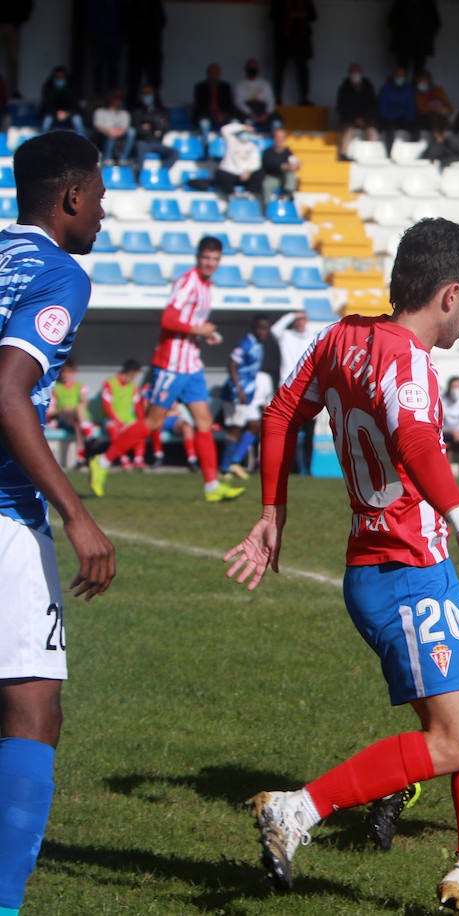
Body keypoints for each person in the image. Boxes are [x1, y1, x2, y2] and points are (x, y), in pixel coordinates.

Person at [224, 218, 459, 915]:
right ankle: (299, 809)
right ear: (450, 295)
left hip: (412, 568)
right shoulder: (410, 361)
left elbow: (280, 412)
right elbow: (417, 441)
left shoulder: (343, 336)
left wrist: (273, 510)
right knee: (453, 740)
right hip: (403, 572)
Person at [0, 128, 116, 916]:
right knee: (32, 706)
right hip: (5, 512)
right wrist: (77, 515)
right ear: (71, 196)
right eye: (99, 198)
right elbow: (8, 391)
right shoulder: (59, 272)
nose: (103, 213)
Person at [87, 236, 245, 503]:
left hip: (192, 363)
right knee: (153, 422)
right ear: (198, 258)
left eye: (215, 259)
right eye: (206, 258)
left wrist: (205, 335)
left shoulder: (207, 286)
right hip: (171, 365)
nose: (210, 263)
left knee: (204, 422)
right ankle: (102, 462)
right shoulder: (187, 282)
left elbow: (190, 324)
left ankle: (211, 486)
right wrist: (199, 330)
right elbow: (168, 319)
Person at [218, 315, 272, 479]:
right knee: (235, 429)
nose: (262, 332)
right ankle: (225, 468)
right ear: (254, 328)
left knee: (255, 426)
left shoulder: (259, 345)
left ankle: (235, 461)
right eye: (260, 328)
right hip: (236, 394)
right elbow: (231, 364)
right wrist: (238, 388)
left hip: (247, 394)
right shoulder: (245, 343)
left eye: (265, 329)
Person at [269, 310, 317, 474]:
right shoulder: (286, 336)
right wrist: (291, 315)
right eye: (297, 319)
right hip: (288, 387)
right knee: (289, 430)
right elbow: (275, 329)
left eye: (302, 319)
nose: (300, 322)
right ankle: (290, 468)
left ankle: (307, 468)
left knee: (309, 432)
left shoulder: (313, 337)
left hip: (309, 388)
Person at [99, 359, 147, 468]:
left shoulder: (133, 386)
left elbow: (137, 406)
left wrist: (142, 421)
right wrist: (119, 423)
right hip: (111, 418)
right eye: (135, 374)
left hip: (128, 419)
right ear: (130, 372)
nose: (135, 377)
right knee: (113, 428)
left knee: (140, 429)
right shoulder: (110, 383)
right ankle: (123, 459)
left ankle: (138, 460)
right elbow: (106, 406)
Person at [270, 0, 316, 106]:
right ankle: (277, 98)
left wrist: (302, 15)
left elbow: (313, 16)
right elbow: (272, 17)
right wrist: (288, 15)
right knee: (279, 70)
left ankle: (304, 98)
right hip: (284, 41)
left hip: (301, 41)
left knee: (303, 71)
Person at [49, 362, 94, 467]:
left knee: (77, 420)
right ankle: (89, 435)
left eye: (68, 372)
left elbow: (84, 402)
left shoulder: (80, 387)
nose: (65, 374)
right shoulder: (56, 388)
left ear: (73, 373)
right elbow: (51, 410)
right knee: (69, 410)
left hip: (78, 418)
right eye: (63, 372)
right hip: (65, 418)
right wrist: (62, 409)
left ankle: (80, 459)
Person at [129, 84, 179, 177]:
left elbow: (164, 127)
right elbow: (137, 128)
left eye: (149, 94)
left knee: (174, 152)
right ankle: (139, 175)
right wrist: (154, 129)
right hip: (143, 142)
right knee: (140, 148)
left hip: (157, 142)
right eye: (145, 94)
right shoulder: (137, 111)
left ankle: (161, 173)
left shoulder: (160, 110)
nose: (148, 97)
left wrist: (150, 126)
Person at [124, 0, 165, 102]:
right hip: (137, 48)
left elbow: (162, 21)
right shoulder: (132, 4)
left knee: (153, 80)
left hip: (151, 47)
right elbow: (125, 24)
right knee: (134, 80)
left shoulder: (154, 4)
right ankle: (133, 102)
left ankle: (153, 103)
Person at [388, 0, 440, 78]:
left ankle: (417, 85)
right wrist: (400, 35)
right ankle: (401, 86)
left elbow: (435, 23)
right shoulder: (401, 3)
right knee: (401, 70)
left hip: (421, 44)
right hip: (404, 43)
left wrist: (427, 37)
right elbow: (392, 21)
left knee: (419, 72)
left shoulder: (428, 3)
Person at [212, 122, 264, 199]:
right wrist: (242, 127)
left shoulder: (253, 147)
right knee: (221, 174)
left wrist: (248, 172)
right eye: (244, 132)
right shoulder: (231, 141)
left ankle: (249, 193)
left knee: (260, 173)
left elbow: (256, 163)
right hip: (232, 173)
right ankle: (231, 195)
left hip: (246, 175)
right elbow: (224, 130)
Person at [193, 63, 238, 152]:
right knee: (204, 124)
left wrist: (223, 115)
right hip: (207, 115)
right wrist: (214, 115)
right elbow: (200, 107)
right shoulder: (200, 87)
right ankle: (206, 151)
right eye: (211, 73)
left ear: (219, 74)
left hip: (223, 116)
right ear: (207, 74)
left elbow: (230, 105)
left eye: (216, 73)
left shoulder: (226, 87)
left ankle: (234, 150)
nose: (213, 76)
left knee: (235, 122)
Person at [336, 64, 380, 155]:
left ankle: (373, 154)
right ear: (349, 74)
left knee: (372, 132)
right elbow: (342, 107)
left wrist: (365, 118)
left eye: (357, 72)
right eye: (353, 73)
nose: (355, 75)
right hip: (350, 119)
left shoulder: (368, 86)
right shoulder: (344, 88)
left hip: (365, 119)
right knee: (347, 131)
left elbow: (372, 105)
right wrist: (354, 118)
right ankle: (343, 154)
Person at [377, 67, 419, 151]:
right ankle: (389, 152)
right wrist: (391, 116)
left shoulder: (408, 89)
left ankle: (413, 152)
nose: (400, 78)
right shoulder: (386, 89)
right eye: (398, 76)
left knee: (415, 129)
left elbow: (411, 107)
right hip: (389, 118)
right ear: (394, 76)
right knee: (389, 129)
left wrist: (408, 118)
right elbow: (383, 108)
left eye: (402, 76)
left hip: (404, 118)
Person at [235, 58, 279, 134]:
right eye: (250, 68)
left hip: (264, 111)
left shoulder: (265, 84)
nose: (252, 69)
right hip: (247, 112)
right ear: (246, 69)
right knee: (247, 122)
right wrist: (250, 114)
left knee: (277, 123)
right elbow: (239, 102)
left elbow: (271, 101)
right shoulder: (240, 85)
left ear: (258, 69)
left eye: (254, 68)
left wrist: (266, 114)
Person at [92, 88, 135, 165]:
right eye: (115, 97)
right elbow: (97, 126)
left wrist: (117, 132)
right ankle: (107, 158)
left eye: (119, 98)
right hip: (103, 135)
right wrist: (107, 131)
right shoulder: (100, 111)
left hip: (119, 134)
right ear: (110, 98)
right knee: (110, 135)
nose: (118, 100)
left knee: (131, 132)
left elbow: (125, 127)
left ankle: (123, 159)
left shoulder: (124, 113)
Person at [260, 127, 301, 205]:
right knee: (266, 185)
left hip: (284, 179)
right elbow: (268, 164)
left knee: (291, 173)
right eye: (277, 137)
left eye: (282, 137)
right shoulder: (268, 152)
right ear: (274, 138)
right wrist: (282, 166)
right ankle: (267, 207)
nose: (279, 139)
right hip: (272, 178)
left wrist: (295, 166)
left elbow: (294, 161)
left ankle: (288, 194)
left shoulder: (288, 152)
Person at [39, 66, 83, 134]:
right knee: (47, 121)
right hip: (53, 112)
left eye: (62, 77)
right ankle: (42, 138)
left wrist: (67, 113)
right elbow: (47, 104)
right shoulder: (48, 87)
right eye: (57, 77)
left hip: (69, 112)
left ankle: (81, 137)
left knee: (77, 120)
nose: (60, 79)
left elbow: (75, 104)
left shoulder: (72, 87)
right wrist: (56, 113)